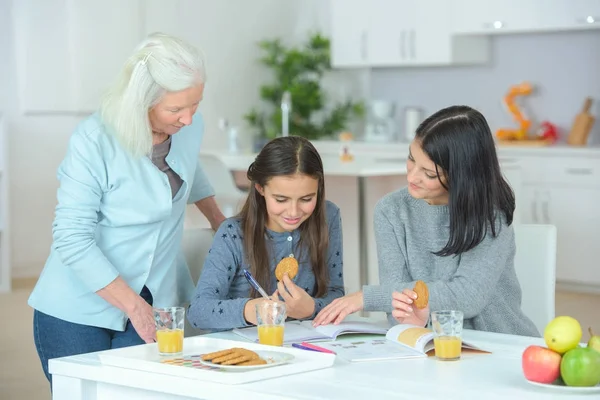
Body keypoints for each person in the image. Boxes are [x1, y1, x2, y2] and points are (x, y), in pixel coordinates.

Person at [28, 32, 226, 386]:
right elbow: (72, 238)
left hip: (157, 296)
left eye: (195, 105)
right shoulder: (95, 139)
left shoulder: (189, 129)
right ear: (143, 100)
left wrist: (220, 222)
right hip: (79, 304)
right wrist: (134, 307)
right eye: (176, 109)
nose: (188, 119)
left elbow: (188, 171)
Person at [313, 105, 540, 337]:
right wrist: (404, 314)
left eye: (429, 174)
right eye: (411, 159)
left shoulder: (491, 216)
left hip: (498, 342)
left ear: (462, 175)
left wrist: (370, 297)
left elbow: (468, 295)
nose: (412, 176)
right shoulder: (390, 211)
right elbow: (398, 307)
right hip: (427, 343)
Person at [187, 136, 345, 331]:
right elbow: (199, 311)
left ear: (319, 188)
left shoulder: (328, 217)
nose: (294, 212)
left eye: (306, 199)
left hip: (304, 346)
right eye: (281, 199)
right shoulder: (233, 234)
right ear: (260, 188)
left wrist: (311, 308)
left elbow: (336, 294)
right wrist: (251, 310)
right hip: (244, 349)